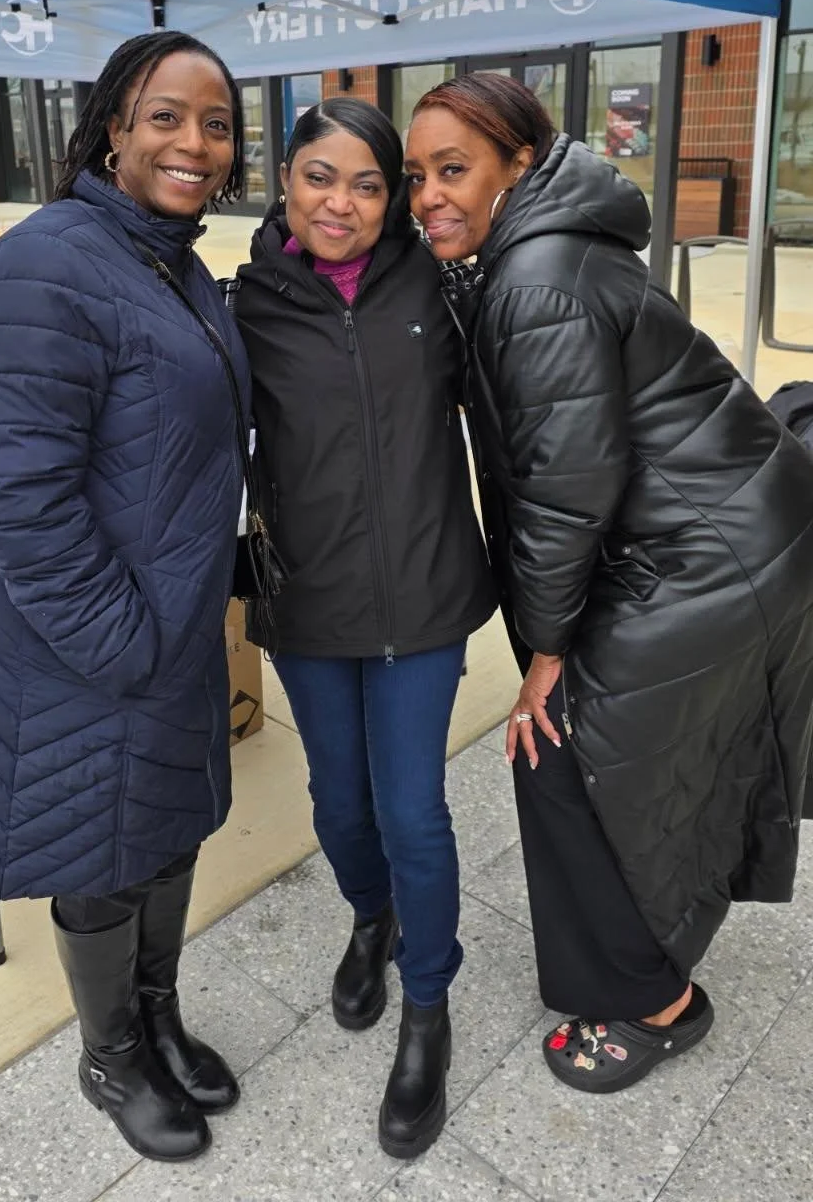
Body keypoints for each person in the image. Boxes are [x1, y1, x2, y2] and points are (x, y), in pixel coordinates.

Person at [405, 71, 813, 1094]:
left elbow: (565, 483)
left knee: (556, 748)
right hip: (730, 522)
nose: (429, 192)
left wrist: (547, 651)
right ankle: (653, 946)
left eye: (454, 169)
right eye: (417, 173)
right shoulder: (532, 255)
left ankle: (657, 1004)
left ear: (520, 165)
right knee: (603, 752)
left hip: (712, 545)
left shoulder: (538, 278)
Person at [0, 32, 252, 1162]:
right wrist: (127, 643)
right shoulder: (44, 261)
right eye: (166, 115)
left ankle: (157, 1016)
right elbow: (20, 499)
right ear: (112, 124)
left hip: (163, 629)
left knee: (162, 830)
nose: (193, 142)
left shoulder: (177, 262)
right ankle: (109, 1054)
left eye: (214, 123)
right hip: (81, 640)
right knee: (100, 856)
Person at [229, 98, 496, 1158]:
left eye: (368, 183)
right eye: (319, 177)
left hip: (425, 596)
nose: (341, 202)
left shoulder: (443, 286)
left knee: (414, 808)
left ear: (394, 198)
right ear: (285, 182)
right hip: (309, 604)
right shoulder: (243, 305)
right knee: (338, 803)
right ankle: (368, 917)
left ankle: (427, 1002)